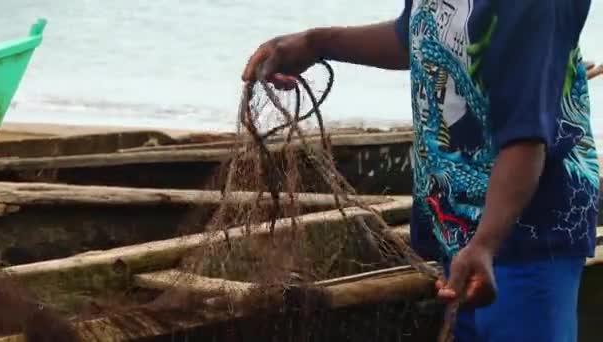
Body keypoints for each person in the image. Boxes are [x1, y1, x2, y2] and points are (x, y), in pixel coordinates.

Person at [242, 1, 599, 341]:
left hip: (527, 232)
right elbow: (414, 35)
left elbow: (527, 135)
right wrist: (314, 43)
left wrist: (486, 243)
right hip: (458, 229)